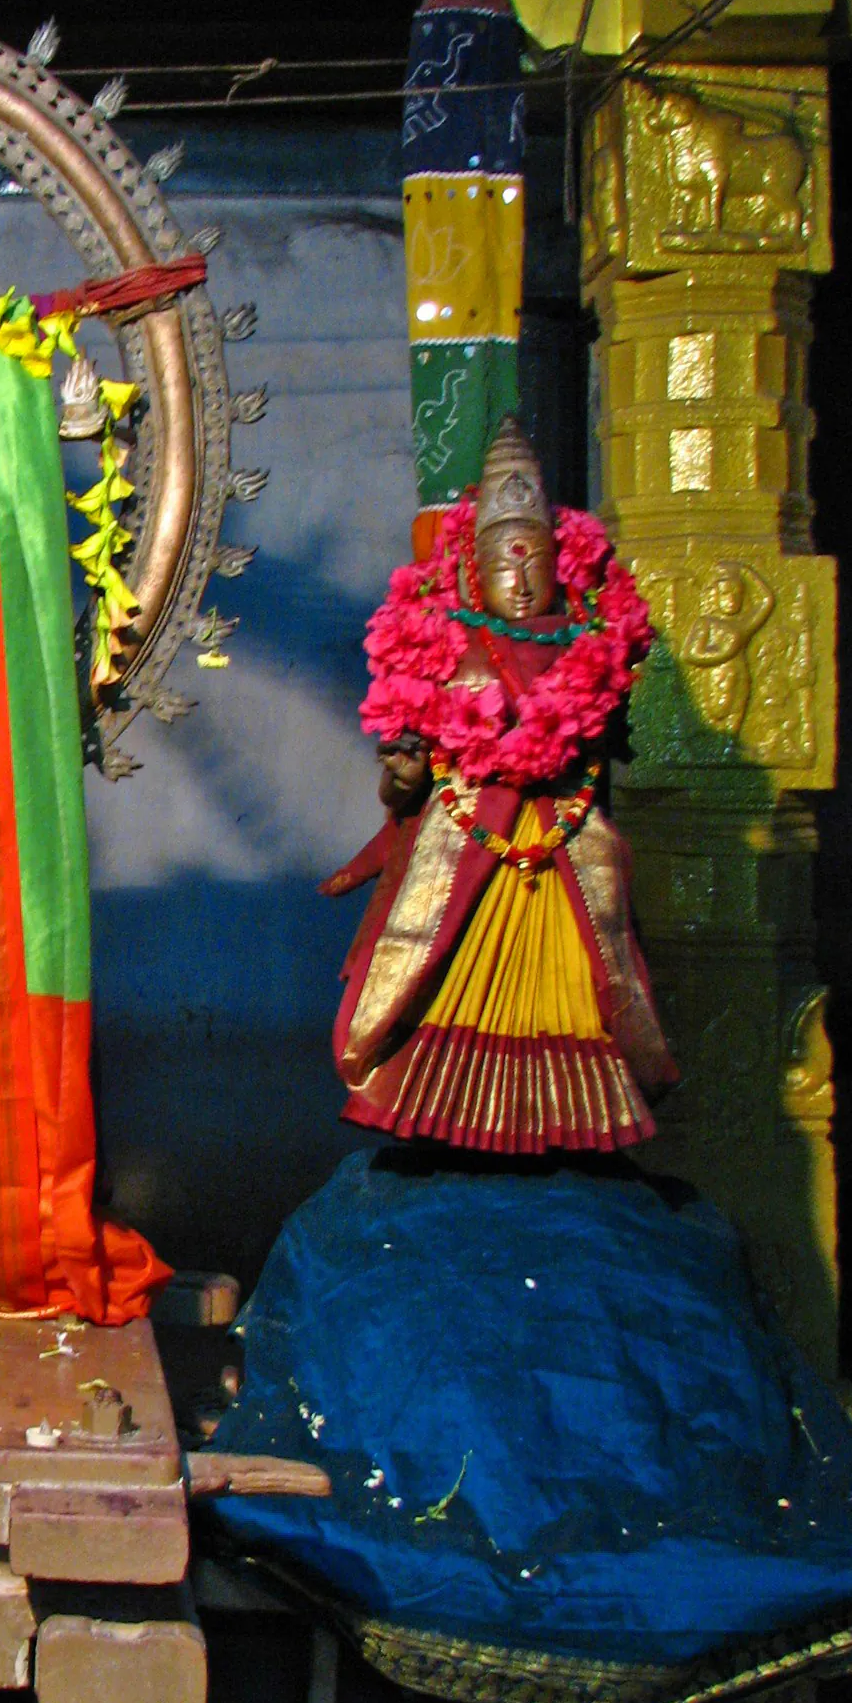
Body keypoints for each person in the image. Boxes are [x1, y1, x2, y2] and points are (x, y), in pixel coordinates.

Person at [323, 421, 676, 1154]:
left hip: (559, 851)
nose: (519, 581)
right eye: (502, 564)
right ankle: (443, 1131)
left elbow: (608, 755)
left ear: (559, 560)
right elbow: (405, 786)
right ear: (473, 567)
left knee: (584, 990)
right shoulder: (447, 639)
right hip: (465, 844)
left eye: (534, 561)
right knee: (433, 966)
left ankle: (573, 1133)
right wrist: (404, 779)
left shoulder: (591, 640)